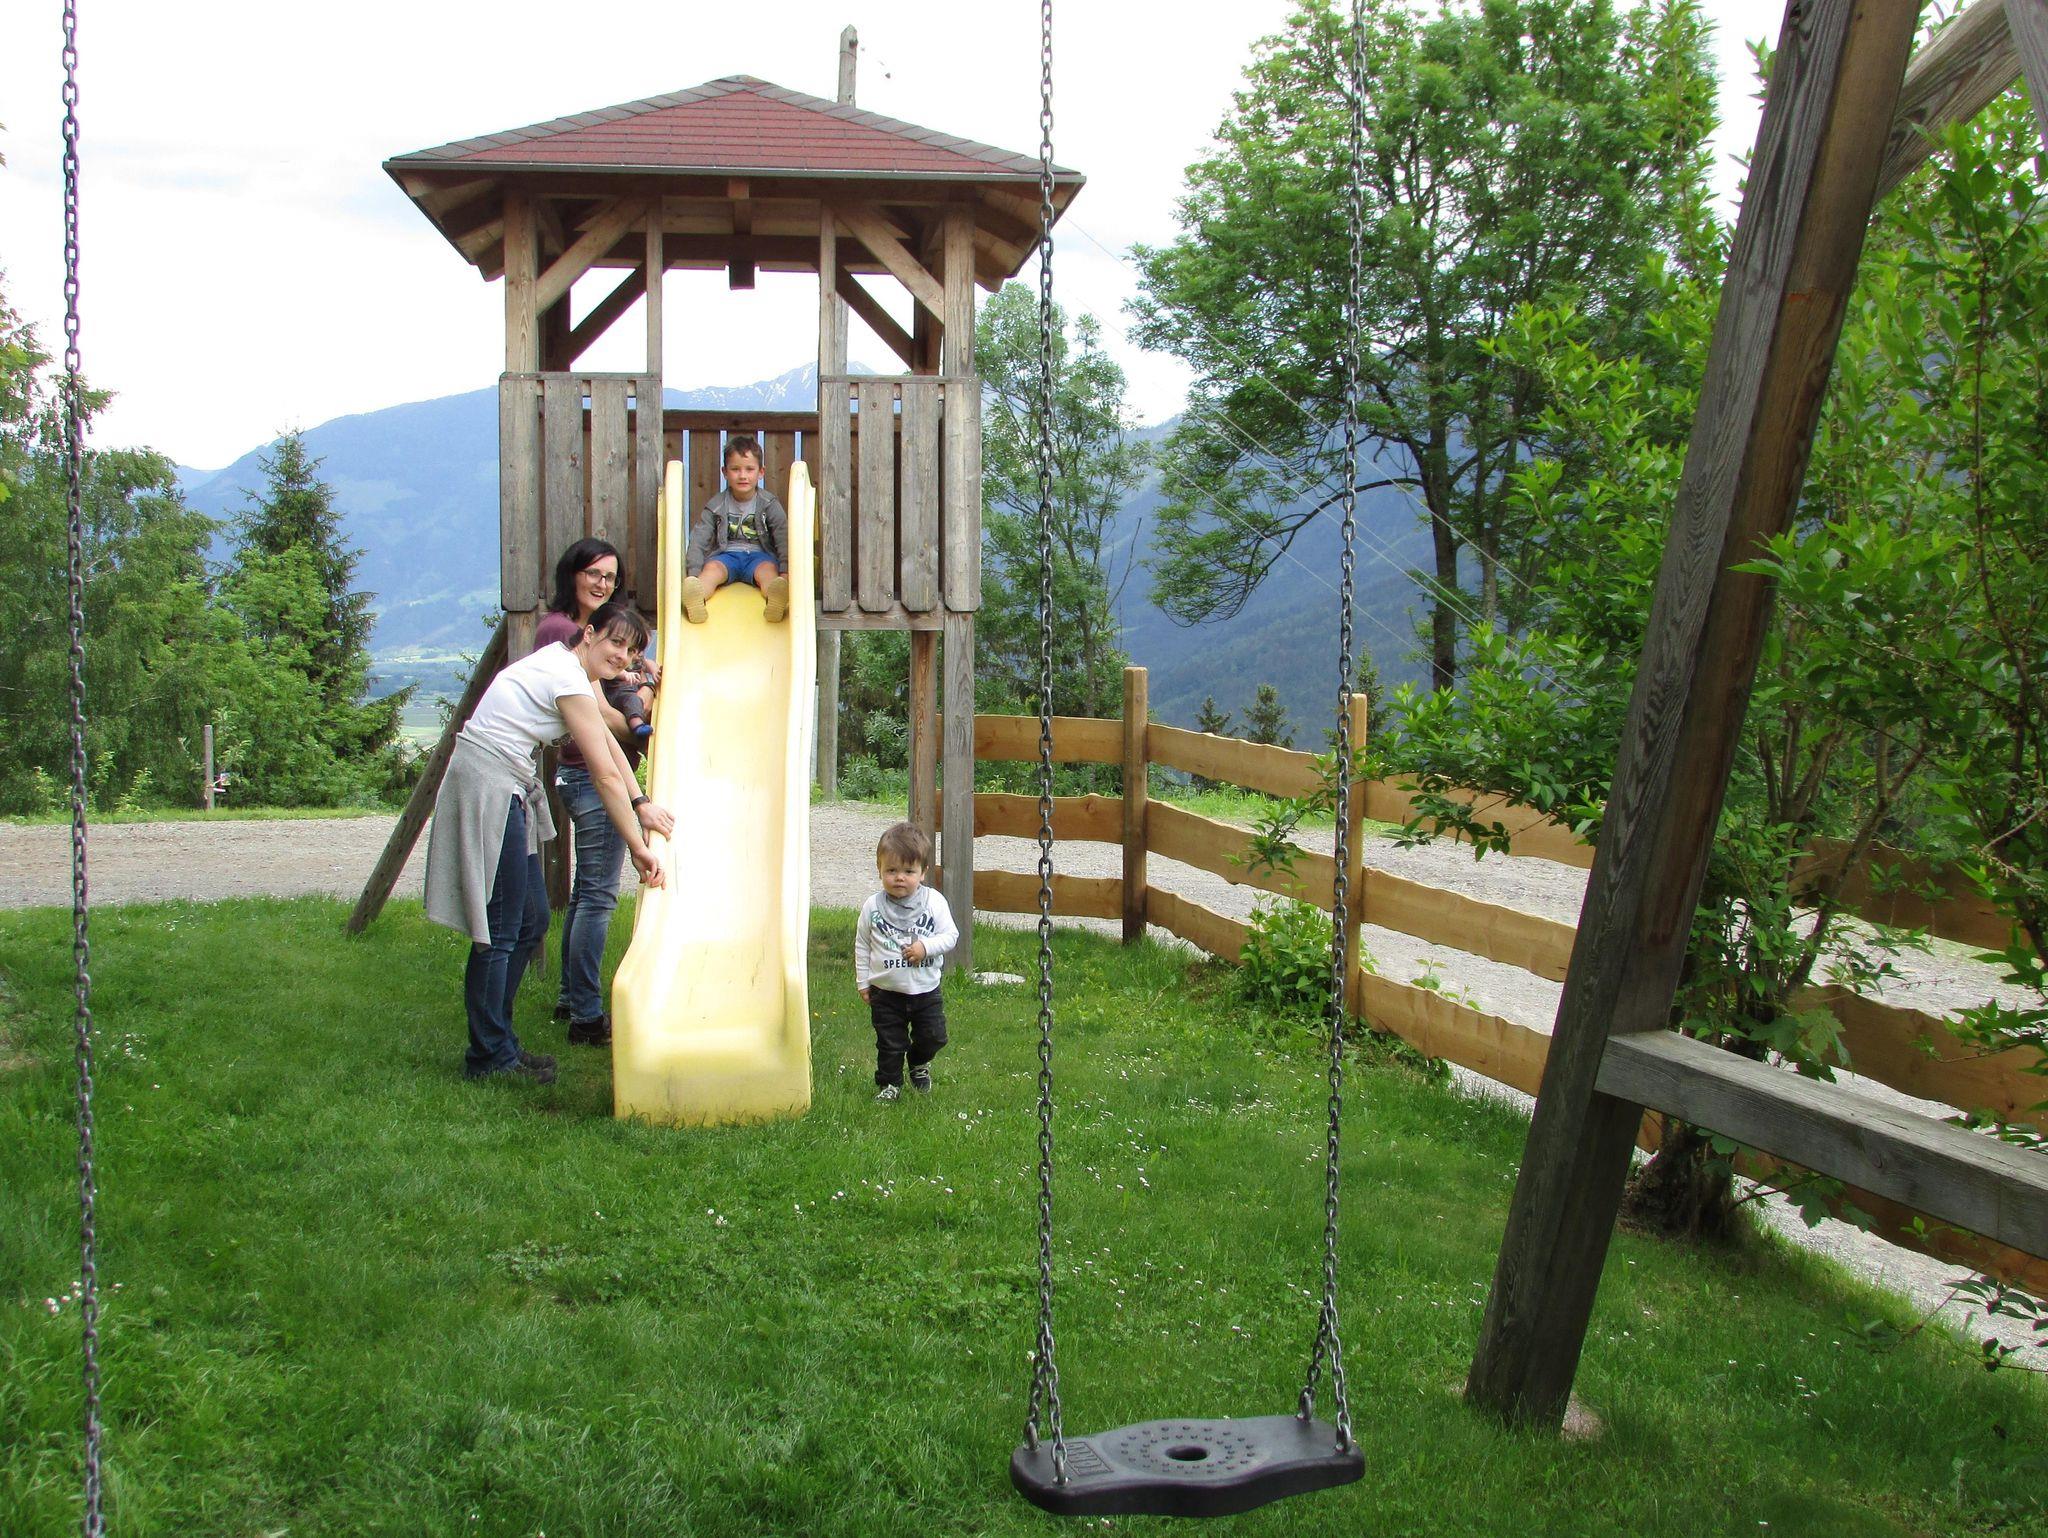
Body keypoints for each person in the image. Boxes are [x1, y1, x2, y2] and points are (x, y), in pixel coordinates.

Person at [424, 600, 673, 1084]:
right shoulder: (566, 676)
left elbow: (608, 745)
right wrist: (637, 845)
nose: (622, 656)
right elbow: (602, 772)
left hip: (508, 781)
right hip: (488, 782)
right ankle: (489, 1057)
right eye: (615, 642)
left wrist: (641, 801)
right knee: (500, 928)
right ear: (589, 634)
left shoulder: (572, 672)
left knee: (532, 918)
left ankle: (500, 1043)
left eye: (631, 651)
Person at [535, 538, 658, 1047]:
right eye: (593, 573)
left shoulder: (603, 637)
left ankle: (572, 1000)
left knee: (587, 893)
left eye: (610, 576)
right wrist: (648, 722)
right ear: (573, 574)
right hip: (589, 775)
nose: (602, 583)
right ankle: (587, 1017)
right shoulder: (562, 632)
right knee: (599, 898)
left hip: (585, 773)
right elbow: (605, 722)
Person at [854, 822, 957, 1102]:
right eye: (891, 870)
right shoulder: (872, 907)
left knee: (934, 1036)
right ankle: (890, 1084)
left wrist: (926, 947)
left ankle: (918, 1061)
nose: (899, 878)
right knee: (890, 1042)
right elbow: (863, 944)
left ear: (923, 872)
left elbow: (950, 936)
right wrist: (863, 982)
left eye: (909, 871)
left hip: (925, 990)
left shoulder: (934, 902)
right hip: (886, 992)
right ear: (879, 870)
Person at [681, 435, 790, 625]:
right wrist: (693, 573)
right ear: (725, 472)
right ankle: (697, 597)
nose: (742, 475)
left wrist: (785, 570)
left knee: (768, 572)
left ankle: (775, 600)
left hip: (759, 557)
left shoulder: (768, 504)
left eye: (749, 469)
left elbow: (783, 536)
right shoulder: (716, 505)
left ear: (761, 472)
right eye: (735, 469)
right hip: (726, 556)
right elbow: (699, 539)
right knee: (712, 570)